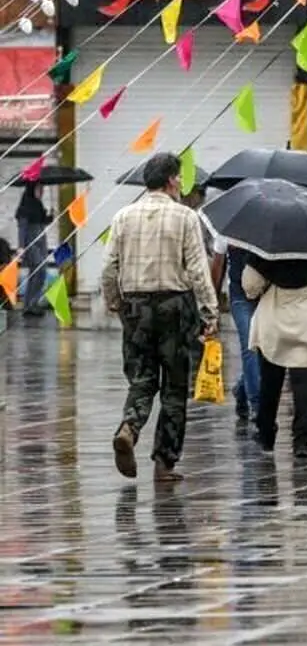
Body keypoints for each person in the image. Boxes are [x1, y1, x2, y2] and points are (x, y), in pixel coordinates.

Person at [101, 152, 219, 482]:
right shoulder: (186, 217)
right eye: (179, 177)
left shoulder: (123, 216)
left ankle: (130, 426)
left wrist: (115, 302)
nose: (180, 183)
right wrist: (210, 311)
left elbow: (109, 267)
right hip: (175, 307)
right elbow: (198, 270)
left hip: (135, 306)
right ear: (170, 180)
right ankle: (164, 463)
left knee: (142, 378)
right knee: (175, 386)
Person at [243, 256, 307, 460]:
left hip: (274, 321)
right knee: (304, 382)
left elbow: (251, 287)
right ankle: (301, 440)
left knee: (270, 382)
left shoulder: (265, 253)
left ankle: (266, 434)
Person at [210, 238, 259, 427]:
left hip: (265, 295)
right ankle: (257, 404)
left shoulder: (270, 228)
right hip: (240, 296)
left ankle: (242, 389)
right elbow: (218, 264)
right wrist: (212, 304)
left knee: (264, 350)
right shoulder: (227, 232)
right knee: (250, 346)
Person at [15, 182, 50, 317]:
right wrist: (21, 246)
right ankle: (29, 304)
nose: (41, 192)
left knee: (40, 272)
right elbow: (22, 228)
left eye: (42, 189)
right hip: (31, 242)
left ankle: (32, 303)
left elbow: (42, 221)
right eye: (39, 189)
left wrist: (50, 216)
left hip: (41, 241)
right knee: (38, 270)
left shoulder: (38, 205)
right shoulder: (25, 207)